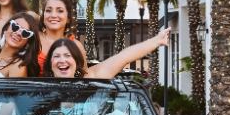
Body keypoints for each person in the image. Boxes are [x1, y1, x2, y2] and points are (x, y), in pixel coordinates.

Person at [42, 27, 172, 79]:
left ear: (76, 61)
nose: (62, 60)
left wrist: (156, 40)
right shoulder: (38, 88)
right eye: (57, 56)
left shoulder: (89, 78)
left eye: (67, 55)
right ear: (50, 63)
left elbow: (124, 57)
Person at [36, 0, 84, 72]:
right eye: (48, 10)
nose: (53, 15)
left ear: (68, 18)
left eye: (60, 11)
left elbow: (84, 78)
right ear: (43, 15)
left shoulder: (76, 46)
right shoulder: (32, 39)